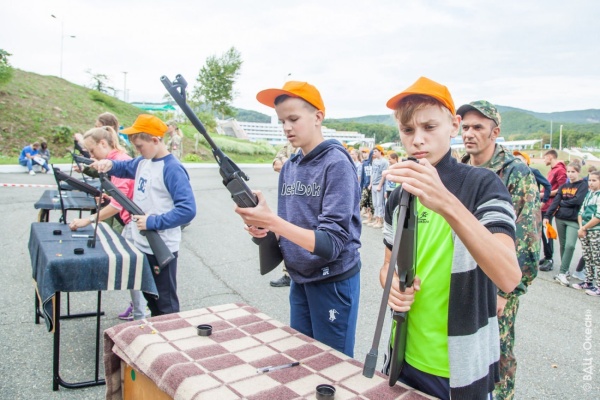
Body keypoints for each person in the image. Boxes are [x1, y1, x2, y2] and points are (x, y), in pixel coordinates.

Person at [380, 77, 521, 399]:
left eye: (429, 127)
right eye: (407, 130)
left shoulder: (482, 185)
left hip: (459, 365)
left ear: (453, 126)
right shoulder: (400, 194)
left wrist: (445, 202)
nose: (418, 140)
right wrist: (393, 286)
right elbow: (387, 265)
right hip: (403, 353)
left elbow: (509, 275)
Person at [234, 81, 362, 357]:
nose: (287, 127)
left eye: (293, 119)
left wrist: (273, 221)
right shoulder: (289, 167)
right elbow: (289, 226)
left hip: (332, 281)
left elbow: (331, 243)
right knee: (302, 360)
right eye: (282, 121)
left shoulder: (337, 163)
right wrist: (264, 228)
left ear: (318, 117)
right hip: (300, 280)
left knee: (332, 364)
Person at [458, 101, 541, 400]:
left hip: (497, 284)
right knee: (463, 352)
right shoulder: (459, 169)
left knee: (497, 357)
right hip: (460, 275)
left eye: (478, 127)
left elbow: (528, 237)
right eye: (465, 127)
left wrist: (507, 292)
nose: (469, 133)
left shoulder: (516, 173)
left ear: (495, 132)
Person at [92, 114, 196, 316]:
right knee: (151, 299)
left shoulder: (172, 168)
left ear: (155, 140)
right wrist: (109, 164)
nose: (137, 150)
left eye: (140, 146)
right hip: (142, 243)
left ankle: (169, 333)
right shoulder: (143, 161)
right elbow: (125, 167)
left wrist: (153, 221)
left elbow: (188, 210)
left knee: (165, 305)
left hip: (161, 246)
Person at [67, 126, 147, 321]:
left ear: (103, 143)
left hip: (135, 223)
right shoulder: (117, 159)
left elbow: (118, 205)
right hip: (132, 221)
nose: (91, 156)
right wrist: (108, 198)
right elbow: (122, 196)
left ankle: (141, 317)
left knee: (135, 273)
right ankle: (139, 312)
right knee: (135, 272)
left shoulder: (118, 162)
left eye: (92, 150)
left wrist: (88, 220)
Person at [544, 161, 588, 286]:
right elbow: (555, 201)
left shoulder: (583, 185)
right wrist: (547, 215)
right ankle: (565, 270)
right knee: (563, 245)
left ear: (578, 172)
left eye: (573, 172)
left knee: (570, 245)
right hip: (560, 218)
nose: (570, 174)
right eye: (568, 172)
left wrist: (562, 203)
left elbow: (578, 200)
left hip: (574, 219)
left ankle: (562, 273)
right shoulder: (564, 186)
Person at [269, 140, 297, 288]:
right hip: (288, 192)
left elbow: (300, 166)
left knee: (297, 233)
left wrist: (287, 161)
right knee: (285, 232)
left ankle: (296, 273)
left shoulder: (307, 144)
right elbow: (276, 165)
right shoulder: (289, 144)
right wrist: (287, 161)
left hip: (300, 193)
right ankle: (288, 274)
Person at [572, 170, 600, 295]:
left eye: (594, 180)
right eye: (590, 180)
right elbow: (581, 212)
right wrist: (581, 227)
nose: (591, 183)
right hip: (584, 230)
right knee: (587, 257)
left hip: (595, 231)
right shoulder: (589, 194)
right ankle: (588, 281)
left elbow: (598, 216)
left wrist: (584, 228)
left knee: (597, 258)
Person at [539, 150, 567, 271]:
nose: (544, 160)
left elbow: (562, 189)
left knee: (546, 231)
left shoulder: (560, 170)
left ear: (550, 157)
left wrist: (544, 194)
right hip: (545, 203)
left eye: (545, 157)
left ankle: (549, 258)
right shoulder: (552, 170)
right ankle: (547, 255)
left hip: (550, 205)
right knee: (543, 231)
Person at [369, 145, 389, 229]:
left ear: (380, 152)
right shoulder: (374, 161)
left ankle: (380, 220)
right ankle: (376, 219)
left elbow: (383, 175)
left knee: (379, 203)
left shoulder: (384, 162)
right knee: (374, 203)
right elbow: (372, 173)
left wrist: (380, 185)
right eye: (373, 151)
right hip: (373, 184)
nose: (374, 153)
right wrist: (370, 184)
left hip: (379, 184)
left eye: (375, 151)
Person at [360, 148, 374, 223]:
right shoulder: (365, 163)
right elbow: (362, 175)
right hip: (366, 185)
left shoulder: (374, 163)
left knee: (371, 202)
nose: (364, 154)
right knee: (363, 200)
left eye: (365, 152)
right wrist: (361, 185)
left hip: (373, 185)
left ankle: (370, 217)